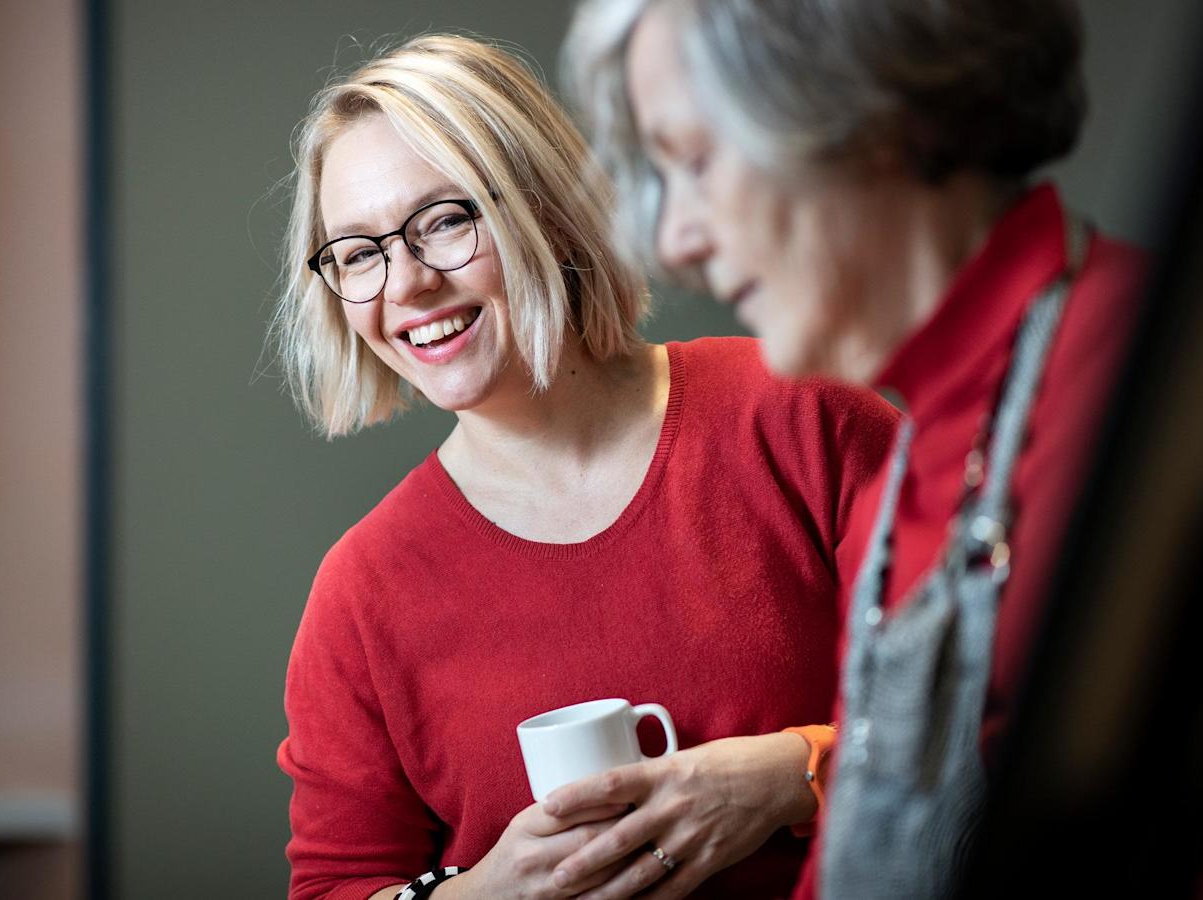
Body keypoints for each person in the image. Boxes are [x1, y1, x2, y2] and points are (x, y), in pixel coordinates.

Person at [556, 0, 1168, 896]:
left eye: (695, 162)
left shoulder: (1137, 378)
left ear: (863, 107)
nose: (677, 241)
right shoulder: (901, 485)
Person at [272, 34, 898, 900]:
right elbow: (335, 886)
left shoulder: (797, 417)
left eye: (445, 220)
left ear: (548, 210)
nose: (405, 283)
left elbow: (1002, 693)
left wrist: (792, 776)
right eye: (357, 252)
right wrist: (494, 891)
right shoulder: (362, 594)